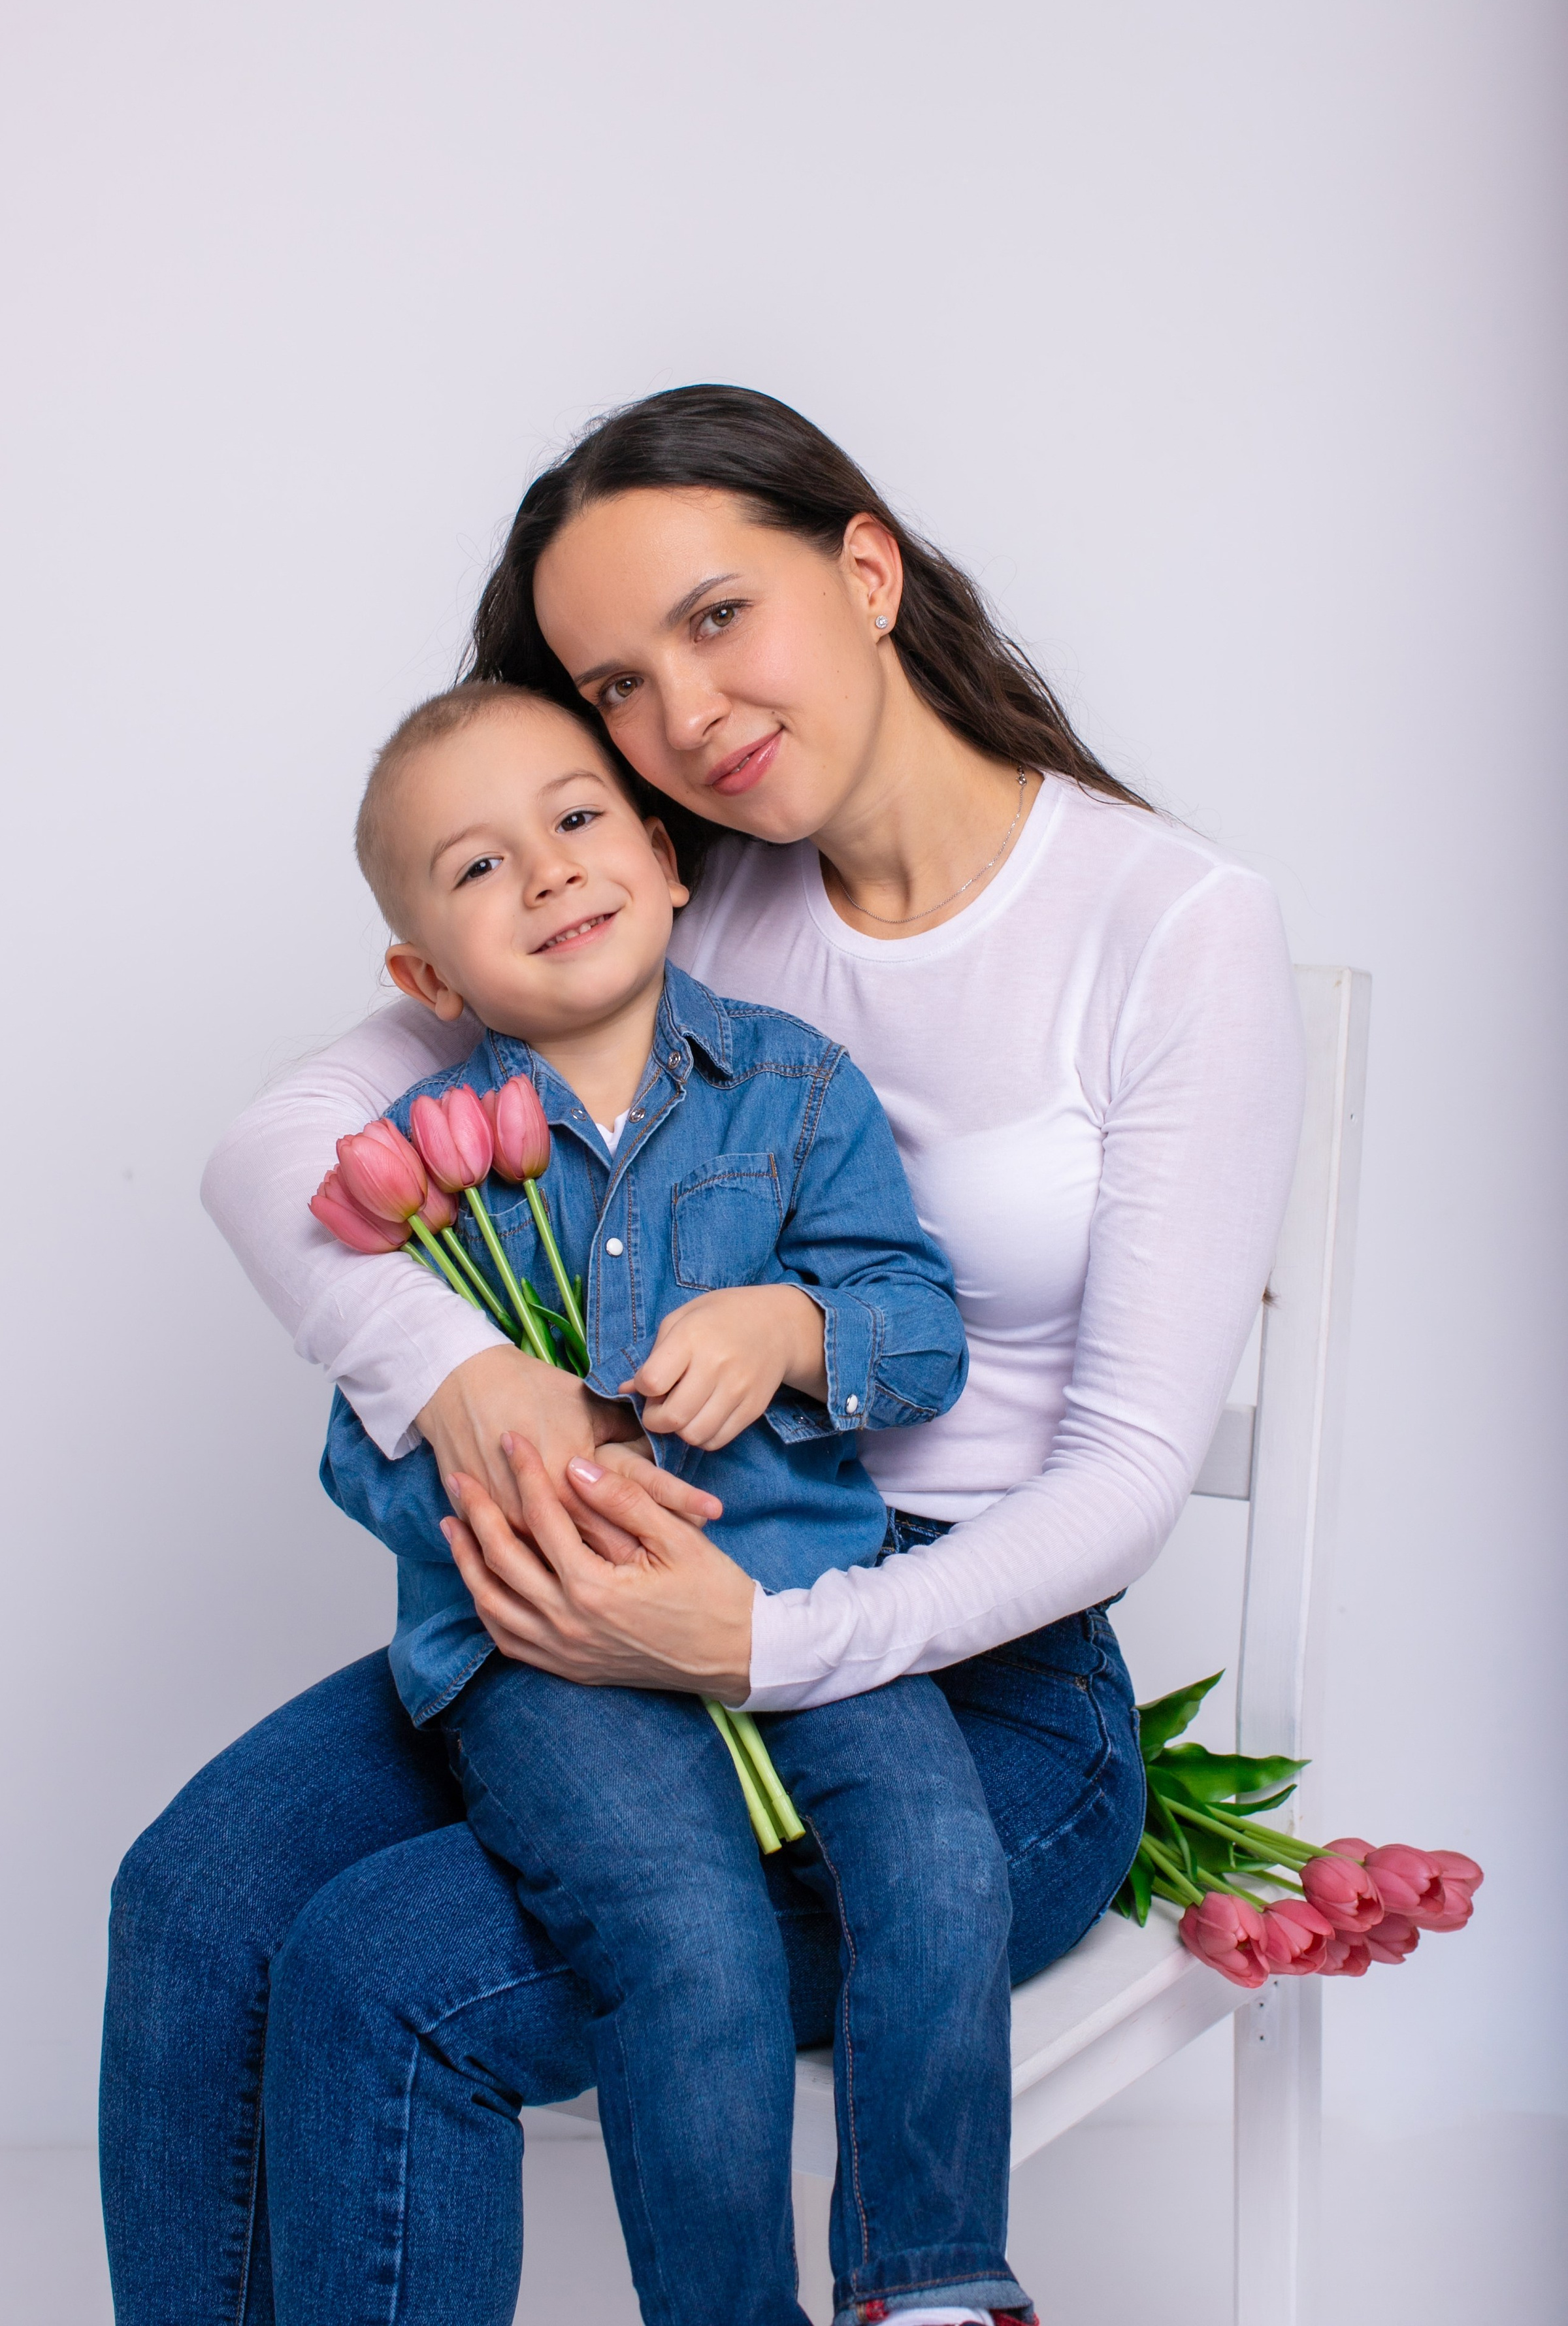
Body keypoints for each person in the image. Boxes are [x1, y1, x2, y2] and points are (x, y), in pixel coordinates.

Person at [100, 385, 1305, 2326]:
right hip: (622, 1587)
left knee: (388, 1967)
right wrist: (469, 1381)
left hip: (961, 1681)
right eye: (617, 683)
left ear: (868, 564)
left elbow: (1124, 1478)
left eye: (717, 616)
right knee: (201, 1891)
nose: (682, 718)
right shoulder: (660, 882)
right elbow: (273, 1152)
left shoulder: (1167, 927)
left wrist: (763, 1643)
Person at [317, 676, 1027, 2325]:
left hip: (793, 1598)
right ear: (424, 975)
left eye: (574, 822)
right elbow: (359, 1449)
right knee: (685, 1935)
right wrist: (520, 1485)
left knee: (935, 1857)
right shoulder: (413, 1165)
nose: (550, 873)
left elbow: (914, 1331)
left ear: (662, 846)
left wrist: (787, 1331)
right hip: (554, 1660)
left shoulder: (793, 1091)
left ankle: (926, 2282)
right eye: (479, 867)